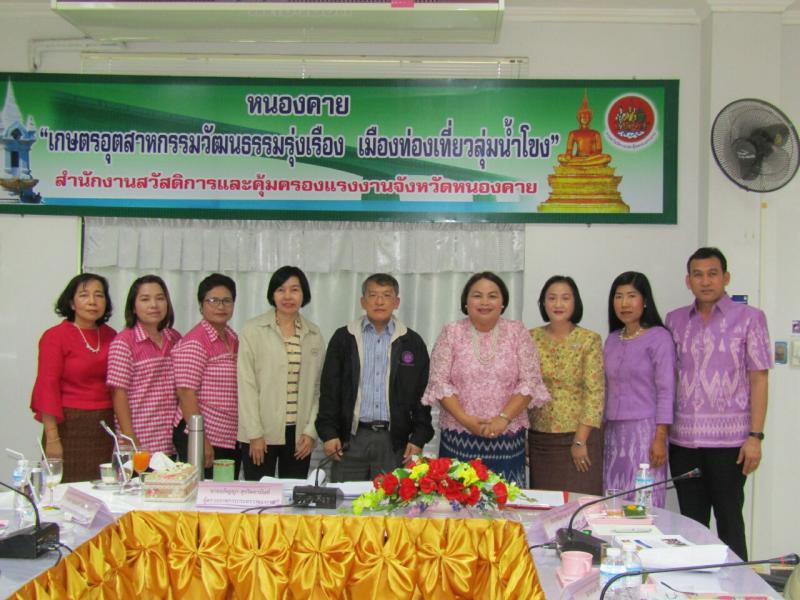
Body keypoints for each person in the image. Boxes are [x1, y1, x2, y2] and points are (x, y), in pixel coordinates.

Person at [666, 247, 771, 560]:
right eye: (697, 275)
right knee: (690, 525)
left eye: (712, 274)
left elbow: (759, 379)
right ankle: (692, 583)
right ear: (688, 281)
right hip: (684, 442)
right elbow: (670, 377)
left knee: (729, 521)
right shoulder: (675, 320)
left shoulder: (750, 318)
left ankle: (737, 583)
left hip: (730, 443)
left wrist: (755, 437)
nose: (705, 281)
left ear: (726, 277)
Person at [422, 272, 550, 485]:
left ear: (502, 303)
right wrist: (465, 420)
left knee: (506, 499)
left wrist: (503, 419)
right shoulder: (451, 332)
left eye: (492, 296)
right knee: (458, 499)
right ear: (466, 302)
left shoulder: (517, 331)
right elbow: (439, 382)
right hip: (459, 436)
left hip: (507, 437)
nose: (484, 302)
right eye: (477, 295)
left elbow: (530, 381)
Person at [316, 273, 433, 482]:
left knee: (391, 501)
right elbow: (329, 390)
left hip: (394, 443)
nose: (379, 301)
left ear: (396, 302)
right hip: (350, 440)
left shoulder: (412, 342)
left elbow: (423, 395)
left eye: (387, 295)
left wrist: (418, 438)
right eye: (373, 295)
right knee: (347, 501)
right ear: (363, 301)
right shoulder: (343, 338)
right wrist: (329, 433)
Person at [237, 266, 324, 480]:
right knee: (259, 494)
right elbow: (246, 385)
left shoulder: (314, 334)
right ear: (272, 294)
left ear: (304, 294)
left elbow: (319, 388)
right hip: (261, 433)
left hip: (299, 435)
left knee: (294, 495)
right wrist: (254, 434)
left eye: (294, 290)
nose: (287, 296)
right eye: (281, 290)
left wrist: (311, 432)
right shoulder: (253, 330)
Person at [30, 273, 117, 483]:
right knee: (64, 489)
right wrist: (52, 438)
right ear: (71, 302)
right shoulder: (55, 336)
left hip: (105, 426)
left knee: (105, 490)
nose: (92, 301)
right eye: (84, 295)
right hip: (68, 426)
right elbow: (47, 387)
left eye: (99, 295)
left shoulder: (112, 336)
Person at [603, 271, 675, 507]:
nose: (624, 303)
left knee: (643, 502)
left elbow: (666, 390)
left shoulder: (659, 337)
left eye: (631, 296)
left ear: (645, 301)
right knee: (613, 500)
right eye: (618, 296)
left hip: (645, 433)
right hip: (613, 434)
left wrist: (660, 437)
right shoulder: (612, 339)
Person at [529, 275, 604, 494]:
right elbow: (524, 387)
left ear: (575, 302)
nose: (558, 304)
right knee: (544, 504)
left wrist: (580, 441)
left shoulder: (589, 339)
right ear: (543, 303)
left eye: (565, 298)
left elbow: (595, 393)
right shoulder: (530, 338)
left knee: (580, 504)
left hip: (579, 438)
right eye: (552, 298)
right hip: (540, 438)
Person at [172, 273, 240, 480]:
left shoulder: (232, 337)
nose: (221, 306)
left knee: (225, 493)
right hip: (200, 434)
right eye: (213, 300)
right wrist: (201, 441)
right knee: (203, 494)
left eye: (227, 300)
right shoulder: (196, 341)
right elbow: (186, 393)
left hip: (226, 434)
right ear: (201, 306)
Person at [107, 275, 182, 456]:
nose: (154, 305)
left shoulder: (174, 338)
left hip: (170, 442)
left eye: (160, 298)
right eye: (145, 299)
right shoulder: (124, 342)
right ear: (133, 307)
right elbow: (118, 394)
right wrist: (130, 438)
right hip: (140, 442)